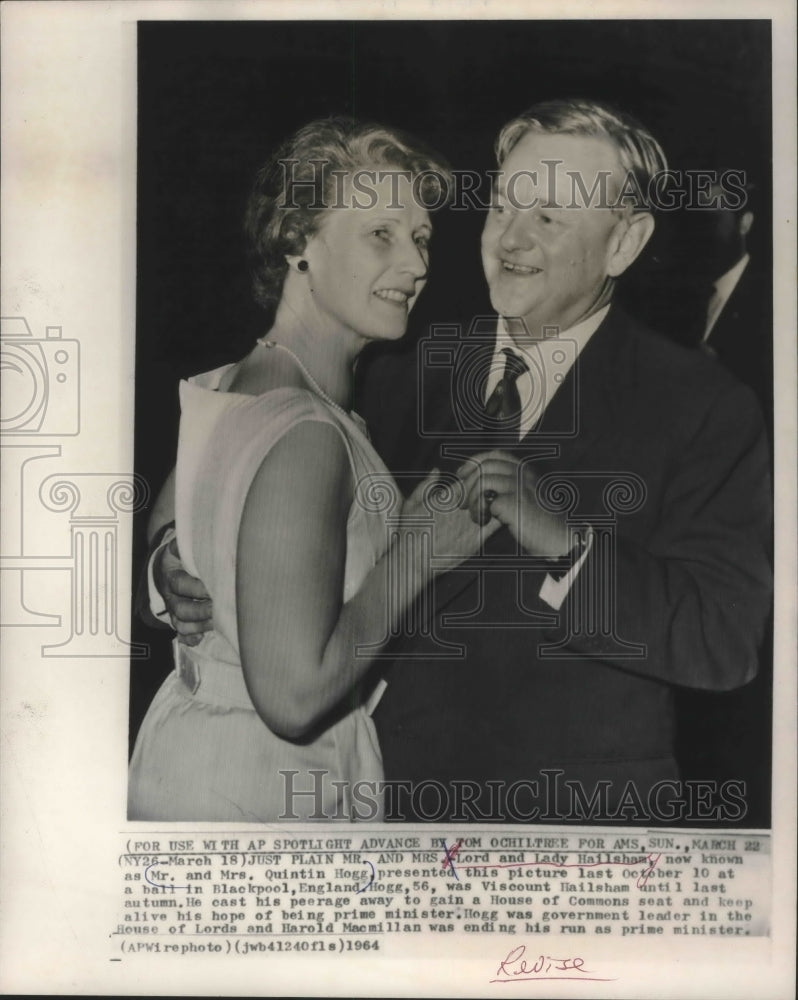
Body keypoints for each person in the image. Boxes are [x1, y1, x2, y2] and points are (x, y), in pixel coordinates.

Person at [156, 100, 773, 824]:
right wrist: (173, 558)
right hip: (389, 816)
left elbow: (723, 642)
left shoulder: (702, 405)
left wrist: (567, 547)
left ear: (624, 242)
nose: (512, 239)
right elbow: (233, 451)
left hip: (571, 835)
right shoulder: (400, 365)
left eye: (549, 216)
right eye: (506, 204)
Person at [128, 118, 495, 822]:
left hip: (196, 754)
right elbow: (294, 700)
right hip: (262, 785)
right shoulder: (307, 429)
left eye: (420, 237)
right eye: (380, 234)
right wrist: (414, 554)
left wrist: (165, 561)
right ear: (298, 241)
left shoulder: (238, 379)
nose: (416, 264)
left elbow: (175, 511)